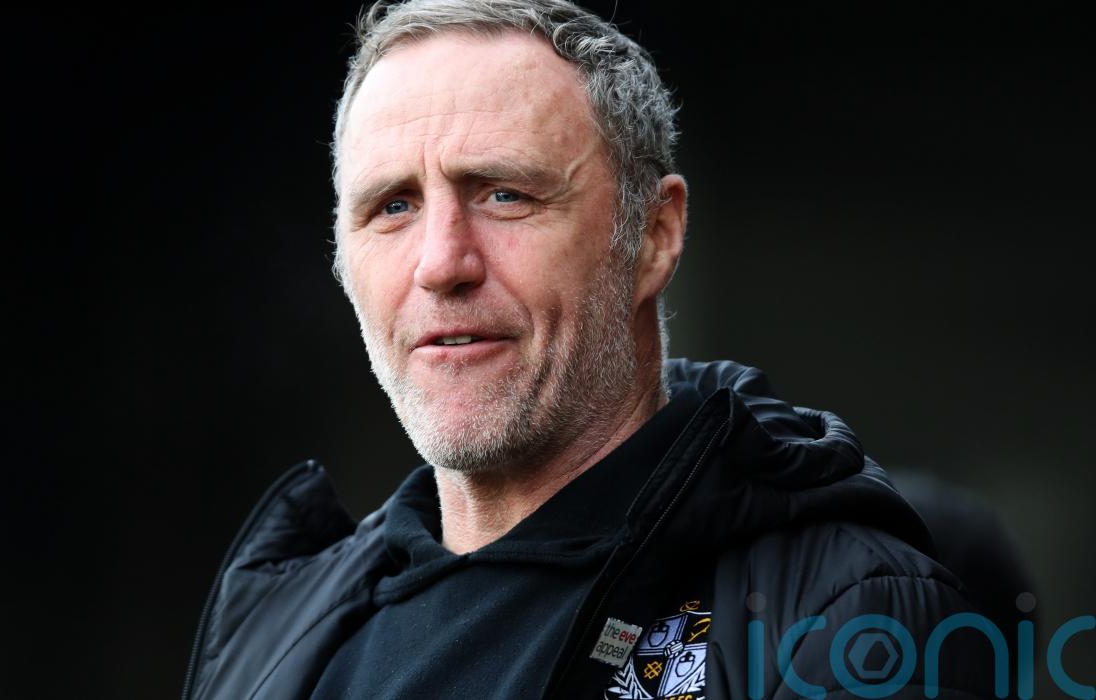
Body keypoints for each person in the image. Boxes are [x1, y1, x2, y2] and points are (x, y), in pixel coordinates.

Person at [182, 2, 998, 698]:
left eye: (504, 193)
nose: (440, 263)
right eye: (392, 207)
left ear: (653, 235)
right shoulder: (276, 633)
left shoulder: (843, 617)